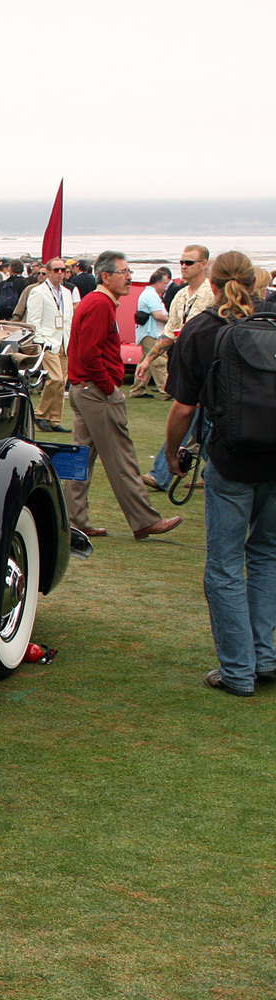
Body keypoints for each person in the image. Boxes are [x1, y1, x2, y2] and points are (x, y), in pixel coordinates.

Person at [163, 251, 275, 696]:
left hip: (230, 458)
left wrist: (172, 455)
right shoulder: (271, 317)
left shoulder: (203, 328)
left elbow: (183, 406)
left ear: (211, 282)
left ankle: (238, 670)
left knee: (225, 567)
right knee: (266, 556)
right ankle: (263, 658)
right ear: (255, 281)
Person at [62, 249, 181, 541]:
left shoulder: (97, 302)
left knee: (82, 457)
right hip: (94, 391)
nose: (130, 278)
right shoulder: (100, 304)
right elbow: (90, 355)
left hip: (85, 388)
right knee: (121, 457)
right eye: (124, 272)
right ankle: (144, 520)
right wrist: (109, 387)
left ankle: (73, 520)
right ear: (106, 276)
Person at [137, 245, 213, 400]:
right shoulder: (180, 295)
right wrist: (147, 360)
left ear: (203, 264)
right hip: (184, 359)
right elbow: (169, 332)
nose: (184, 266)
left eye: (189, 262)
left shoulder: (213, 292)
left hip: (206, 361)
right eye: (182, 262)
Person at [24, 258, 74, 432]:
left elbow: (69, 319)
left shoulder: (67, 293)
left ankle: (54, 418)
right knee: (56, 378)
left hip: (64, 341)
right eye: (57, 270)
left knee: (62, 382)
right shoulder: (39, 292)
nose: (60, 273)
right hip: (48, 341)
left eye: (63, 270)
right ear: (49, 272)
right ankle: (40, 413)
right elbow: (33, 320)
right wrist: (40, 340)